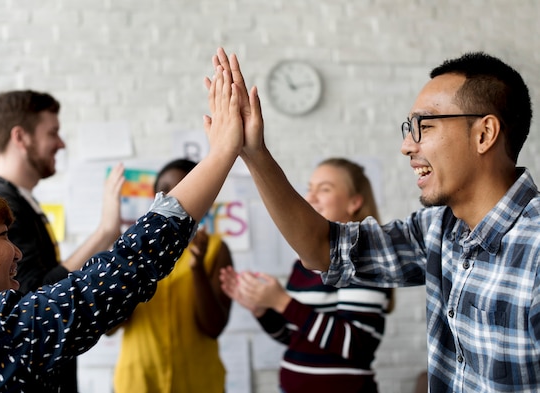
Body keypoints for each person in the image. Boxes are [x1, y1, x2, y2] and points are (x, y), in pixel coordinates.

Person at [207, 47, 539, 392]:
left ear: (484, 134)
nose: (407, 146)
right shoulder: (438, 228)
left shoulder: (535, 248)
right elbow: (324, 249)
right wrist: (254, 153)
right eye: (409, 128)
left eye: (423, 125)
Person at [0, 65, 244, 393]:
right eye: (2, 236)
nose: (16, 251)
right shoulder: (0, 334)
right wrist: (222, 152)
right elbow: (123, 270)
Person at [0, 90, 124, 391]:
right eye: (52, 133)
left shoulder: (16, 200)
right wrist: (105, 233)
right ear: (21, 137)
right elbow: (35, 295)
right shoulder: (0, 203)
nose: (61, 143)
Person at [220, 158, 393, 393]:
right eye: (310, 189)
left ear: (355, 202)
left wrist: (282, 302)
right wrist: (261, 308)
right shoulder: (301, 266)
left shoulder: (365, 260)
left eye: (324, 189)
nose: (310, 198)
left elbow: (355, 345)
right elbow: (294, 339)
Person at [111, 158, 233, 393]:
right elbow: (109, 328)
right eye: (164, 191)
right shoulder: (131, 248)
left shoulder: (216, 249)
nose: (173, 199)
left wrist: (197, 269)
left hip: (198, 381)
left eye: (184, 189)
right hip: (138, 381)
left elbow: (214, 327)